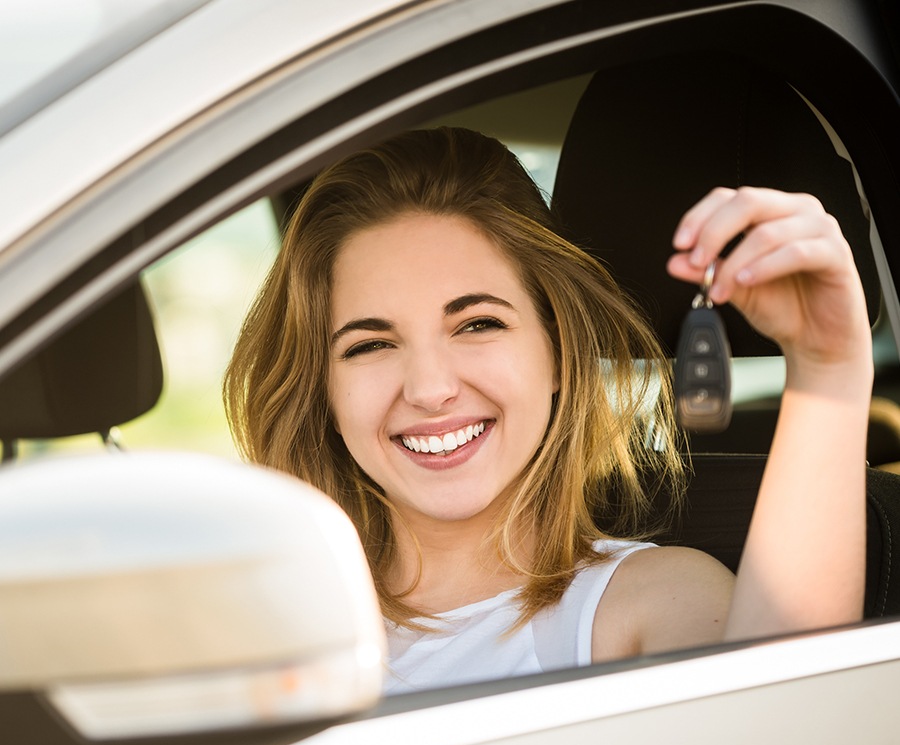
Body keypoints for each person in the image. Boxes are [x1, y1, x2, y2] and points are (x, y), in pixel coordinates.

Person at [224, 127, 873, 693]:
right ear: (323, 390)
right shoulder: (248, 623)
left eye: (478, 324)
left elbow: (784, 736)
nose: (428, 387)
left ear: (559, 350)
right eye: (370, 343)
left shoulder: (642, 608)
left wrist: (828, 371)